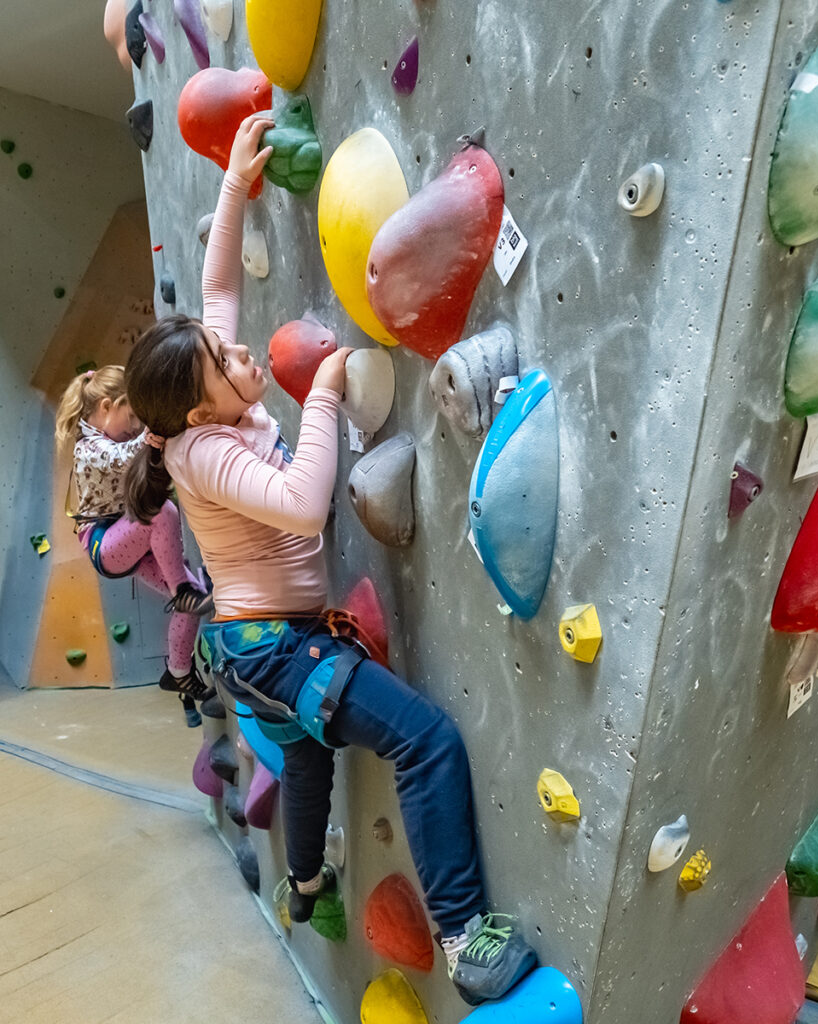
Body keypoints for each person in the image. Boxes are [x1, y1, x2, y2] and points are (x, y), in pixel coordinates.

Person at [122, 113, 537, 1006]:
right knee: (426, 743)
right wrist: (322, 396)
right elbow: (307, 510)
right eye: (228, 363)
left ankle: (304, 883)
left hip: (273, 641)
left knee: (309, 755)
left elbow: (218, 286)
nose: (242, 351)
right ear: (198, 414)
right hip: (273, 644)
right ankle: (465, 937)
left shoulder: (207, 402)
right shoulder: (205, 454)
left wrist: (234, 187)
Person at [55, 364, 214, 726]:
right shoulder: (89, 448)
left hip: (130, 541)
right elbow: (123, 457)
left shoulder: (110, 438)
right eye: (130, 417)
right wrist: (158, 430)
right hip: (104, 543)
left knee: (195, 599)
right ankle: (182, 589)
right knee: (161, 512)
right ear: (107, 406)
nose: (134, 427)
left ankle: (178, 672)